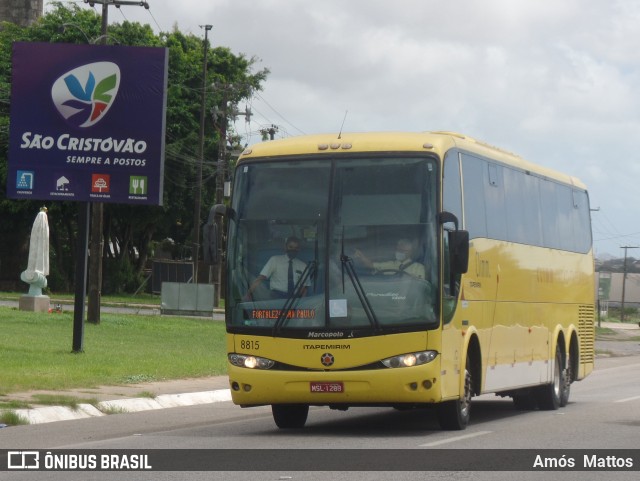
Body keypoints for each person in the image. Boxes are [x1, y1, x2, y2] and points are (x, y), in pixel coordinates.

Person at [244, 236, 310, 300]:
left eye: (296, 248)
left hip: (294, 299)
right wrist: (249, 293)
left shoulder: (303, 265)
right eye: (290, 247)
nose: (293, 250)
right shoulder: (275, 260)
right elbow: (261, 277)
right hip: (276, 297)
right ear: (285, 247)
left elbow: (305, 287)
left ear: (299, 249)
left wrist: (301, 302)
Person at [353, 238, 425, 279]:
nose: (399, 252)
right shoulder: (389, 264)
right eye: (398, 250)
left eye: (402, 250)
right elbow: (370, 265)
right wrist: (361, 255)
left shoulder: (418, 268)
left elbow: (421, 286)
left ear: (410, 252)